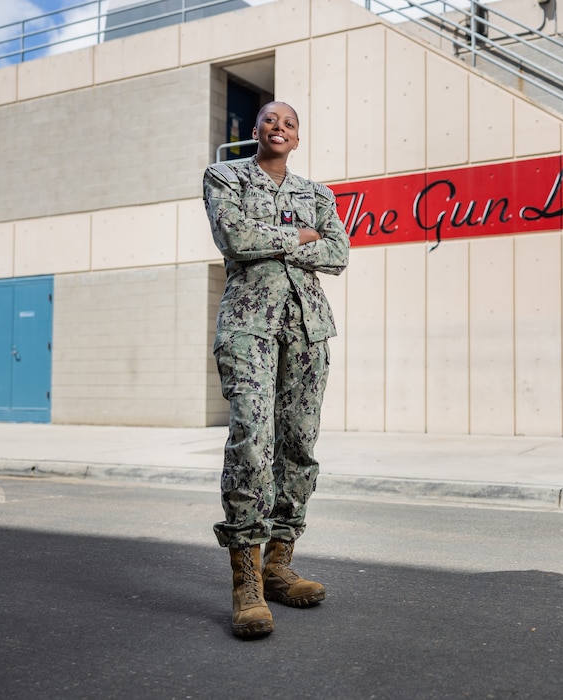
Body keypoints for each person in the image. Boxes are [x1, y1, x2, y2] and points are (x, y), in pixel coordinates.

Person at [202, 101, 350, 639]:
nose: (278, 128)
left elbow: (338, 252)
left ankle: (280, 563)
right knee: (252, 439)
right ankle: (246, 581)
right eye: (269, 120)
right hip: (249, 328)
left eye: (289, 123)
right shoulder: (225, 176)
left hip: (308, 329)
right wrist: (300, 238)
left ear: (298, 136)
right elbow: (234, 239)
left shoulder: (318, 193)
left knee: (299, 445)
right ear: (257, 129)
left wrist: (283, 239)